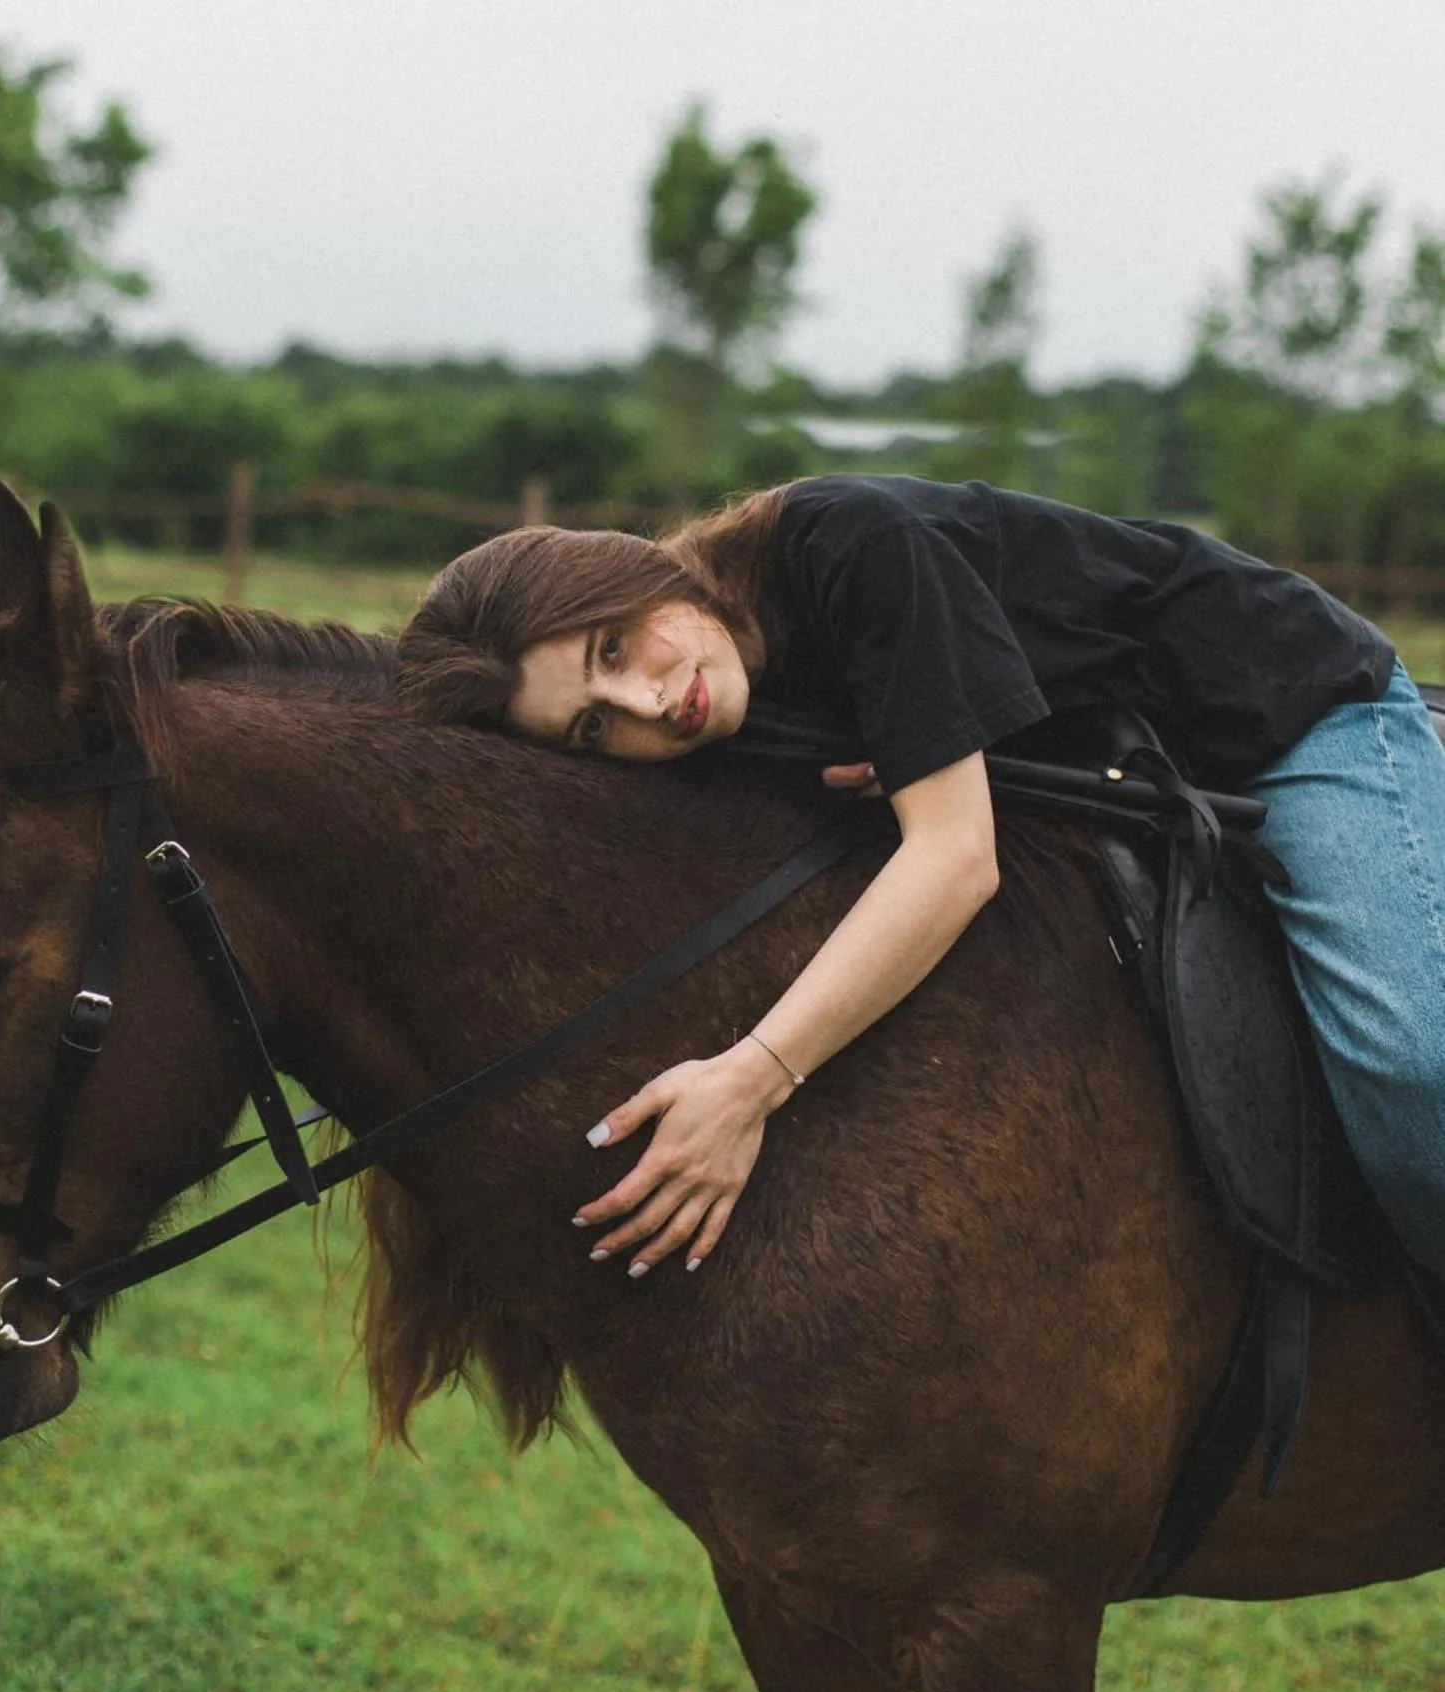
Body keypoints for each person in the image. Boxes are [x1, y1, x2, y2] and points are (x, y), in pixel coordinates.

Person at [395, 471, 1444, 1287]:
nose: (645, 701)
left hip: (1285, 711)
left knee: (1412, 1063)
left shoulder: (854, 548)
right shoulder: (739, 689)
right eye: (593, 725)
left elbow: (953, 859)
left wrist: (747, 1080)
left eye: (616, 645)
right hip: (1129, 762)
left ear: (634, 573)